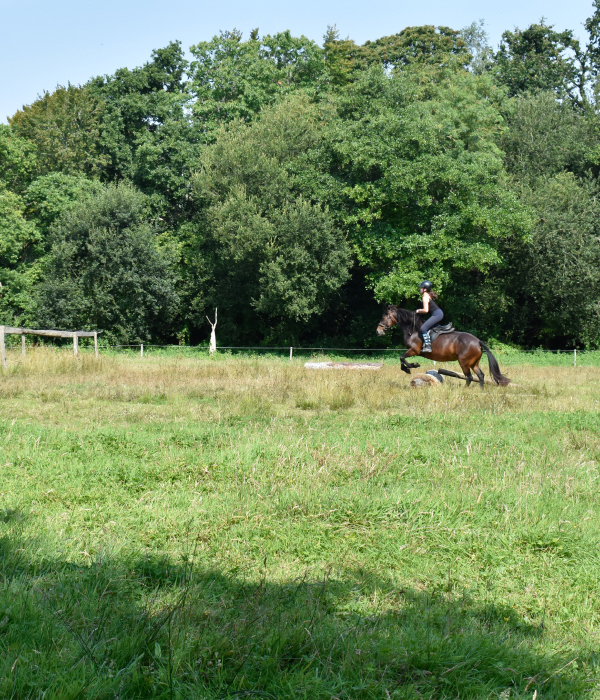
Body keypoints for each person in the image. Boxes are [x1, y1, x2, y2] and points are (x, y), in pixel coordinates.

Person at [415, 281, 443, 353]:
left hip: (437, 314)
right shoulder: (428, 295)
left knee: (423, 328)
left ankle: (428, 346)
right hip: (438, 313)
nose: (420, 289)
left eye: (421, 287)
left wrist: (418, 310)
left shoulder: (425, 297)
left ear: (425, 289)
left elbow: (426, 310)